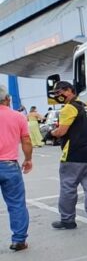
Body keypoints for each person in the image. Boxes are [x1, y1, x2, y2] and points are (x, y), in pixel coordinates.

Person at [48, 81, 87, 229]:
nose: (58, 96)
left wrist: (51, 133)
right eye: (56, 94)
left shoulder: (68, 108)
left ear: (70, 91)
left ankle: (67, 220)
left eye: (60, 93)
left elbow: (61, 131)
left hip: (73, 156)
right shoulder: (86, 107)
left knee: (68, 188)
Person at [0, 86, 32, 251]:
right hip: (9, 165)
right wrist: (28, 159)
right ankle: (19, 240)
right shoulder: (18, 116)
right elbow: (26, 141)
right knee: (16, 204)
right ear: (8, 99)